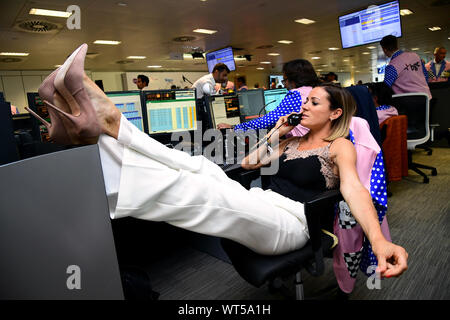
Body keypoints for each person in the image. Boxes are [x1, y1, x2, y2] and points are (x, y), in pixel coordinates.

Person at [30, 44, 408, 279]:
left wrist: (377, 240)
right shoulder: (292, 139)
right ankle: (108, 129)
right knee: (199, 167)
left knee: (199, 188)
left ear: (334, 112)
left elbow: (353, 189)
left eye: (312, 103)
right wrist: (275, 134)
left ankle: (103, 127)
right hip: (264, 204)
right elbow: (248, 164)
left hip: (293, 224)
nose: (301, 105)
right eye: (303, 101)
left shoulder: (340, 144)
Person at [217, 59, 320, 133]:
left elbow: (268, 120)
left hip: (299, 143)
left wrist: (234, 127)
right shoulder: (313, 91)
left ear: (293, 79)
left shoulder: (296, 94)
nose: (284, 85)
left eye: (285, 80)